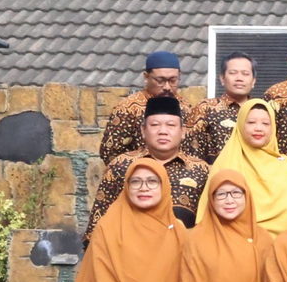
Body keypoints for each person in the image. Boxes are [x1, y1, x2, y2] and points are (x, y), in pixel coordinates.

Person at [85, 95, 209, 247]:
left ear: (182, 131)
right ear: (143, 130)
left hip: (184, 253)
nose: (163, 131)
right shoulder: (121, 166)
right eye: (155, 125)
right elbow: (98, 224)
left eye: (171, 125)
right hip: (129, 252)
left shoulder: (201, 171)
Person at [198, 99, 287, 237]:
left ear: (273, 128)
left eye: (265, 123)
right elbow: (209, 212)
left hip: (284, 245)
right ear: (240, 125)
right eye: (251, 122)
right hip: (238, 243)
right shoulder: (226, 163)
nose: (258, 128)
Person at [99, 50, 183, 164]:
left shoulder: (184, 106)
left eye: (173, 81)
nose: (167, 87)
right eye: (160, 81)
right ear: (146, 77)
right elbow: (109, 152)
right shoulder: (128, 108)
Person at [183, 52, 257, 164]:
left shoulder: (262, 111)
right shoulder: (206, 108)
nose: (239, 78)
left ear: (253, 81)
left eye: (245, 74)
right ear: (222, 78)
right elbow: (191, 152)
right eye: (233, 73)